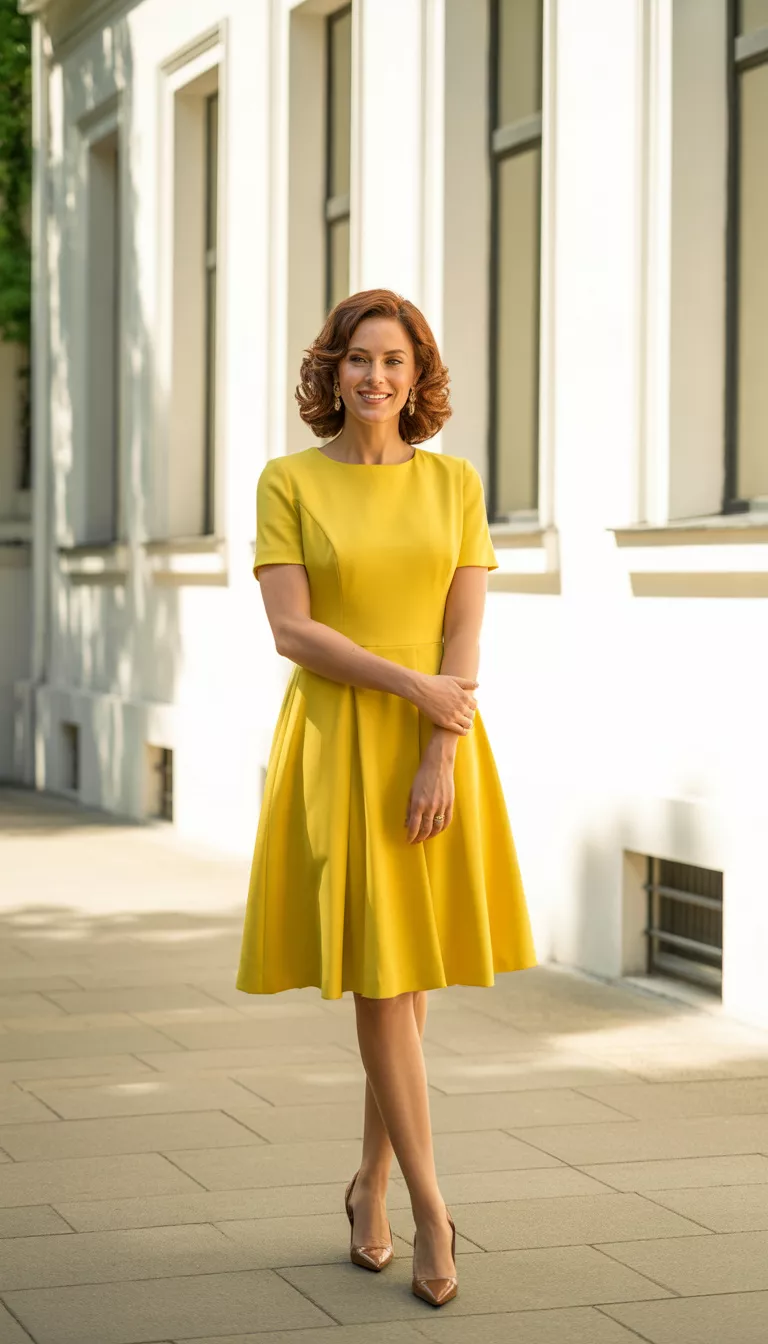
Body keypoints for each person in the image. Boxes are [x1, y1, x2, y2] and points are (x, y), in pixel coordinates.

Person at [236, 288, 537, 1307]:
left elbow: (465, 632)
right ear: (333, 371)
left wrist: (439, 747)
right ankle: (431, 1210)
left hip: (433, 745)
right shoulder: (289, 481)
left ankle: (368, 1186)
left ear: (419, 376)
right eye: (359, 359)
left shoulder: (455, 482)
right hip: (338, 740)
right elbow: (293, 632)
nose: (376, 377)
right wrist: (413, 690)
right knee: (382, 982)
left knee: (403, 983)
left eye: (395, 361)